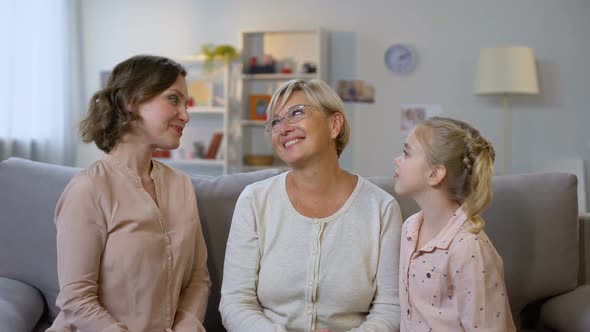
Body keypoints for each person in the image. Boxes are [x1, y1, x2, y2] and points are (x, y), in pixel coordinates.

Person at [220, 79, 402, 332]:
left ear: (334, 124)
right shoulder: (254, 200)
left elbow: (390, 308)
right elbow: (235, 302)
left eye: (296, 113)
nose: (283, 128)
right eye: (275, 121)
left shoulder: (381, 208)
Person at [47, 55, 211, 332]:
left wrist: (187, 326)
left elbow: (197, 277)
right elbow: (77, 299)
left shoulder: (181, 186)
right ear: (130, 101)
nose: (186, 114)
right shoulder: (88, 189)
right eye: (173, 99)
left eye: (186, 103)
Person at [393, 117, 515, 331]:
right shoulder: (409, 228)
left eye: (406, 153)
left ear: (435, 174)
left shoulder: (468, 247)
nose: (397, 159)